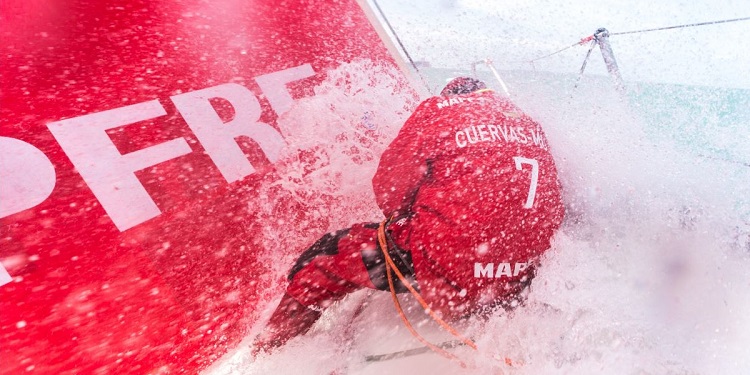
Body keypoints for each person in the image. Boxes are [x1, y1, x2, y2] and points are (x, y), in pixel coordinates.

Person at [252, 77, 565, 354]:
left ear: (452, 95)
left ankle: (269, 350)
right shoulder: (526, 121)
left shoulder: (439, 109)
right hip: (522, 273)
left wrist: (403, 217)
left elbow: (390, 186)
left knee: (323, 257)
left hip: (456, 273)